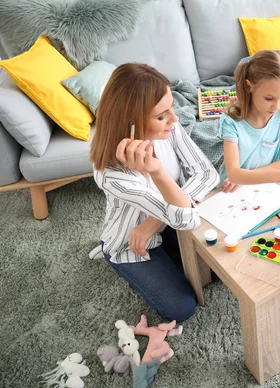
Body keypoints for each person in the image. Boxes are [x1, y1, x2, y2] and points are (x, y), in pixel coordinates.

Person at [89, 63, 219, 322]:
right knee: (181, 308)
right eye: (161, 115)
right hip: (132, 243)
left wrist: (153, 220)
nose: (174, 118)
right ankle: (108, 252)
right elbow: (187, 218)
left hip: (162, 226)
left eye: (171, 107)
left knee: (219, 269)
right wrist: (158, 172)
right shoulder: (111, 173)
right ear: (131, 122)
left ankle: (170, 251)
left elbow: (207, 174)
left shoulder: (168, 127)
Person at [219, 50, 280, 193]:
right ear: (249, 87)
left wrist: (252, 176)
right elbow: (234, 174)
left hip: (263, 186)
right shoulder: (231, 121)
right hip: (231, 190)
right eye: (269, 99)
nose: (277, 106)